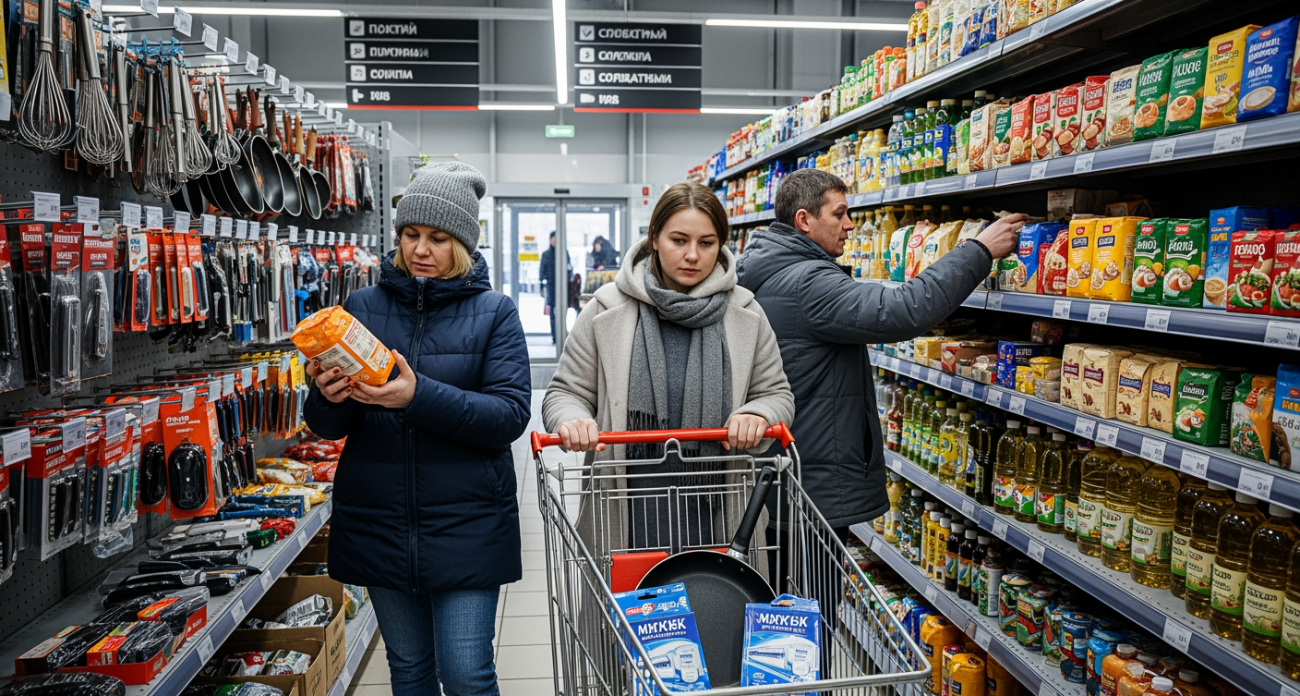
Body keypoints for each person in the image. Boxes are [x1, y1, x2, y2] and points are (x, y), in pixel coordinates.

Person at [304, 162, 530, 696]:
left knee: (466, 673)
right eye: (410, 235)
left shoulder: (495, 313)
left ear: (464, 245)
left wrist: (417, 397)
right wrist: (327, 397)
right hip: (381, 520)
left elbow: (508, 416)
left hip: (467, 522)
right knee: (407, 669)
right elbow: (327, 427)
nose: (420, 250)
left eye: (438, 238)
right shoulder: (361, 308)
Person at [736, 168, 1024, 537]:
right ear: (804, 220)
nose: (850, 225)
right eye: (839, 214)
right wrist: (979, 251)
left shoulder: (773, 269)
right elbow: (903, 309)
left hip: (791, 468)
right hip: (811, 481)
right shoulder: (809, 281)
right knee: (807, 591)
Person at [542, 181, 794, 552]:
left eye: (706, 243)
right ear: (654, 239)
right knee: (628, 608)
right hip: (625, 514)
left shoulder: (746, 313)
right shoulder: (606, 310)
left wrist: (758, 413)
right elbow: (564, 392)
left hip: (719, 518)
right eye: (679, 240)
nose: (692, 255)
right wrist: (572, 418)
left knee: (718, 604)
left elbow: (777, 394)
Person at [539, 230, 572, 344]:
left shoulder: (564, 252)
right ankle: (555, 336)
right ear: (550, 240)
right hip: (551, 287)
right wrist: (541, 288)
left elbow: (569, 269)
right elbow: (542, 272)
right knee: (552, 313)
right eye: (553, 239)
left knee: (563, 310)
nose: (555, 241)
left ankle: (563, 334)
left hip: (563, 287)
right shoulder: (546, 254)